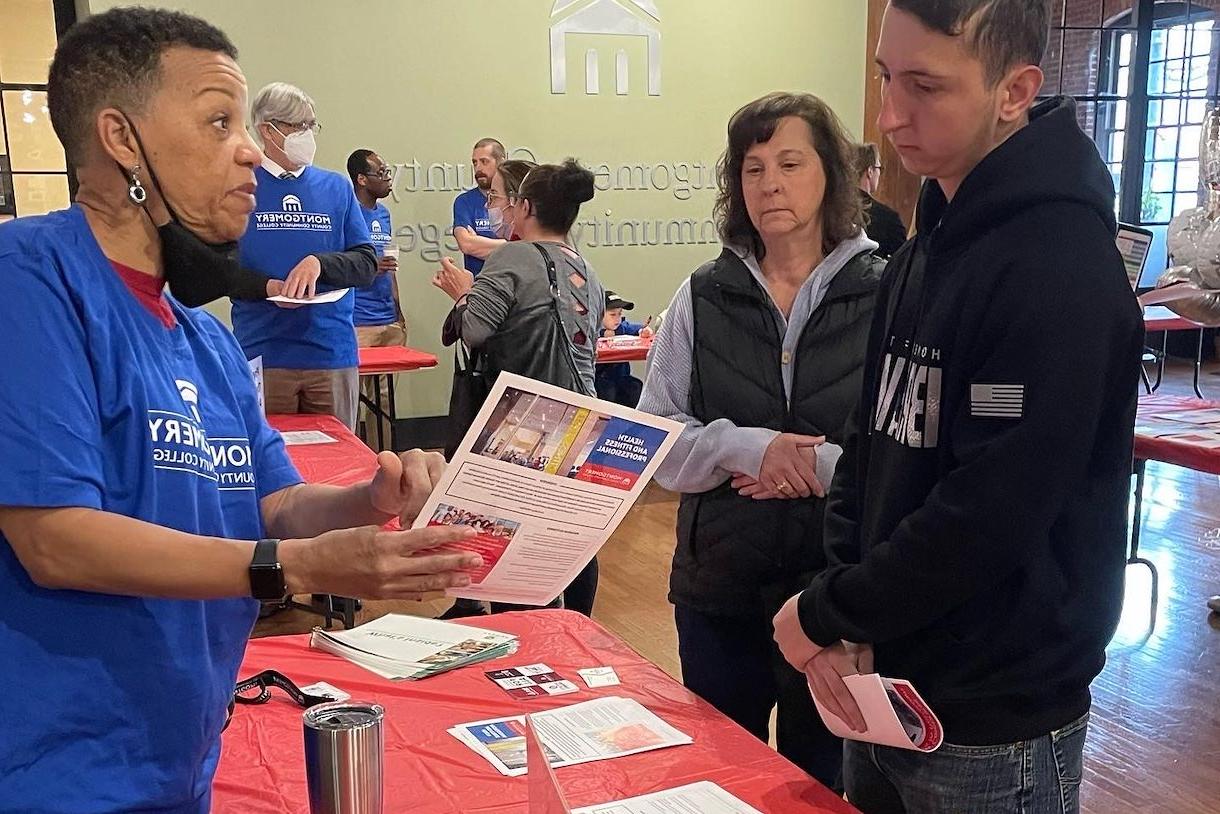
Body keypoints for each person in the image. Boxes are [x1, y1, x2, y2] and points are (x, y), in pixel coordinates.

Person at [0, 9, 482, 812]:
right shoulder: (29, 281)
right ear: (123, 140)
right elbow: (55, 539)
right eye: (220, 121)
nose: (253, 149)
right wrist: (294, 569)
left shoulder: (202, 335)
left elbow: (277, 503)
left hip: (178, 756)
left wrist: (370, 501)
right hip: (59, 770)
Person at [771, 3, 1143, 812]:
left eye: (924, 86)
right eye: (884, 78)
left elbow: (991, 510)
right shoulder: (927, 239)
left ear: (1016, 90)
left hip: (992, 718)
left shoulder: (1057, 267)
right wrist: (846, 611)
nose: (889, 115)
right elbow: (869, 445)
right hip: (886, 680)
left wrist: (830, 608)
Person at [637, 91, 884, 788]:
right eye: (751, 167)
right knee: (720, 780)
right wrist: (747, 449)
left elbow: (900, 456)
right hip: (719, 587)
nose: (770, 183)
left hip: (834, 595)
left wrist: (818, 465)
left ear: (830, 173)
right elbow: (657, 436)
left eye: (789, 162)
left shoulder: (886, 293)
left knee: (821, 784)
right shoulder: (702, 294)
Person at [433, 159, 606, 616]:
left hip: (523, 421)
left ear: (525, 207)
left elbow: (475, 330)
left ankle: (524, 629)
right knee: (568, 533)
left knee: (514, 530)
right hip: (581, 419)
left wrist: (464, 292)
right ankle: (573, 625)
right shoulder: (586, 267)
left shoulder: (510, 257)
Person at [231, 82, 378, 431]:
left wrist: (320, 263)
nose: (307, 134)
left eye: (312, 125)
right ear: (268, 130)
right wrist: (269, 287)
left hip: (330, 353)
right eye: (298, 126)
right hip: (264, 352)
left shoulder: (337, 188)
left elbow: (366, 263)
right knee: (270, 468)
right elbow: (219, 270)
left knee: (340, 469)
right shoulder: (238, 186)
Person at [348, 148, 406, 449]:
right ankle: (352, 462)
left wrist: (399, 310)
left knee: (383, 399)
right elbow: (342, 264)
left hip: (387, 318)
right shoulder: (347, 212)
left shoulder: (383, 214)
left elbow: (389, 268)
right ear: (361, 179)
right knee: (352, 399)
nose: (387, 179)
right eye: (380, 173)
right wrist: (370, 267)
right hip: (358, 322)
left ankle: (383, 459)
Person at [452, 137, 506, 273]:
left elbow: (528, 246)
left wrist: (478, 241)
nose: (478, 168)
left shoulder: (515, 200)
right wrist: (511, 246)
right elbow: (467, 245)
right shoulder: (464, 202)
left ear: (501, 162)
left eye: (484, 162)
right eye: (475, 163)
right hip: (478, 287)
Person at [594, 289, 653, 407]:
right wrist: (602, 333)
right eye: (612, 315)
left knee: (635, 387)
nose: (617, 319)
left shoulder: (622, 327)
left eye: (620, 314)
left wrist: (644, 331)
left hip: (621, 378)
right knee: (607, 390)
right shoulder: (592, 329)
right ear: (599, 314)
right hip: (600, 379)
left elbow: (638, 329)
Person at [855, 142, 907, 257]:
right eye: (879, 168)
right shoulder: (888, 219)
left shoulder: (830, 209)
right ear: (870, 171)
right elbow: (901, 266)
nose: (879, 174)